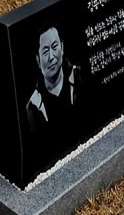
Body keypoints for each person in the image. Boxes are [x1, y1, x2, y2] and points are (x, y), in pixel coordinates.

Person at [24, 23, 84, 174]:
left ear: (62, 48)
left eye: (55, 47)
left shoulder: (80, 79)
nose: (51, 57)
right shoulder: (34, 106)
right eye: (45, 52)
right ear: (38, 61)